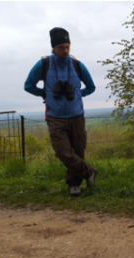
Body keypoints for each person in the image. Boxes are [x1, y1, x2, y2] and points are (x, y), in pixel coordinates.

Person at [24, 27, 98, 197]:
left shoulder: (77, 65)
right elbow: (28, 85)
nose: (65, 51)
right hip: (55, 116)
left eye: (67, 47)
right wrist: (45, 94)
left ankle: (74, 184)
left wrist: (78, 94)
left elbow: (91, 87)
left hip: (77, 115)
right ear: (53, 47)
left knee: (78, 151)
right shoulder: (44, 65)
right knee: (62, 151)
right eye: (61, 47)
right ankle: (90, 172)